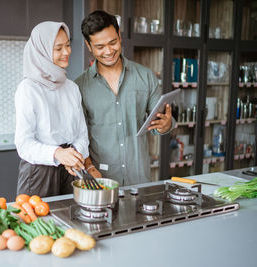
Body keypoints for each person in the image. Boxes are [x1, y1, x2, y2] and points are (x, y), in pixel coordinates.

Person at [75, 10, 175, 186]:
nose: (108, 51)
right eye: (100, 47)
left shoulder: (146, 77)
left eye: (112, 42)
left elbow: (159, 123)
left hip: (139, 178)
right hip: (101, 181)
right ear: (89, 46)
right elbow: (78, 137)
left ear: (119, 36)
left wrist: (166, 125)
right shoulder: (79, 87)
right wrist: (89, 167)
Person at [15, 21, 102, 198]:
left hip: (71, 169)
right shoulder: (28, 89)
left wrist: (75, 155)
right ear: (43, 51)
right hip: (39, 172)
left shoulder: (71, 87)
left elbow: (81, 134)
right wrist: (57, 154)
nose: (66, 52)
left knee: (70, 221)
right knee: (37, 224)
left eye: (68, 46)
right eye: (58, 48)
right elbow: (24, 144)